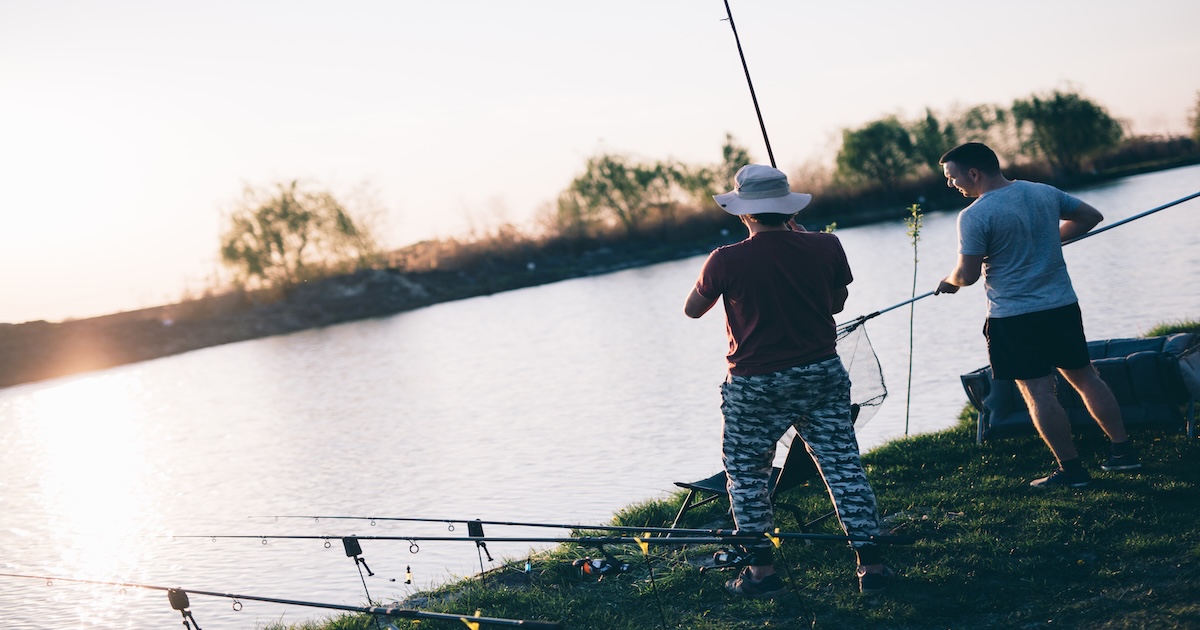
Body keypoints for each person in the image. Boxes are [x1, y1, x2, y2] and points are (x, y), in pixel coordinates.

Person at [684, 164, 892, 597]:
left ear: (744, 212)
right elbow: (835, 304)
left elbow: (692, 309)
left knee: (746, 476)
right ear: (787, 208)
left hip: (754, 385)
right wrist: (807, 247)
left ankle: (761, 573)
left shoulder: (724, 259)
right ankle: (871, 566)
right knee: (843, 467)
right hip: (820, 374)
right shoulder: (827, 246)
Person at [934, 142, 1142, 488]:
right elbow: (1091, 216)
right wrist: (1046, 241)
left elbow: (967, 274)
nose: (950, 184)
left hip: (1015, 318)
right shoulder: (1042, 191)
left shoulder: (973, 215)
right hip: (1061, 306)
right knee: (1087, 378)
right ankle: (1124, 454)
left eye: (952, 177)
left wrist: (949, 281)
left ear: (974, 173)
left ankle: (1072, 472)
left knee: (1038, 393)